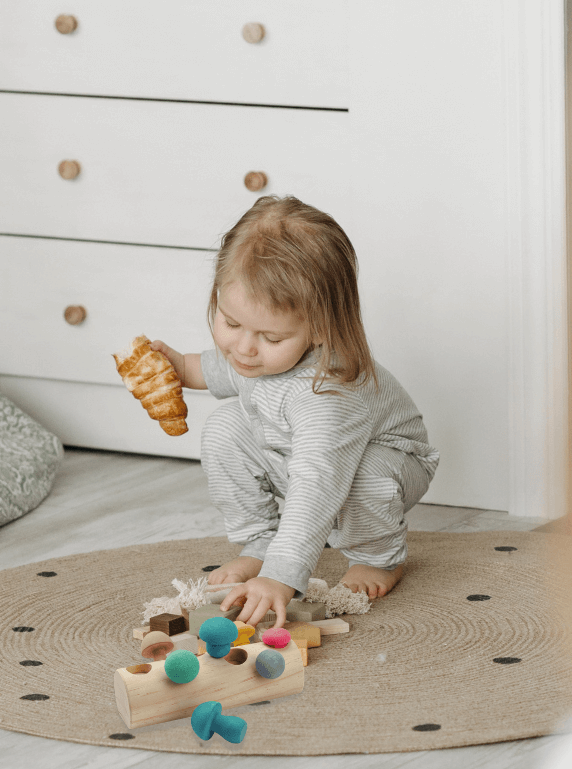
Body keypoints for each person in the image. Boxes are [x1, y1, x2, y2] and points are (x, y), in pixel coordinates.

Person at [151, 196, 439, 629]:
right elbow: (213, 371)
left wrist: (282, 578)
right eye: (230, 323)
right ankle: (259, 541)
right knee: (225, 426)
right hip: (298, 453)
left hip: (383, 462)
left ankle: (379, 558)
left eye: (270, 336)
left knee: (363, 476)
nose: (244, 349)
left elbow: (316, 482)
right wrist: (175, 366)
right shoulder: (255, 355)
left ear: (321, 326)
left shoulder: (328, 394)